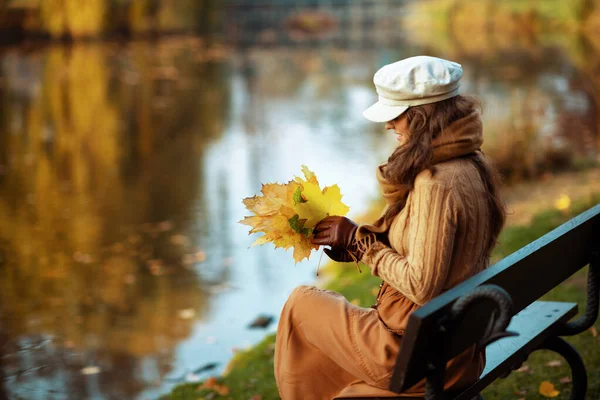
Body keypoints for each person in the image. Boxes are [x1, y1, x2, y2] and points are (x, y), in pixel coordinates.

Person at [274, 56, 507, 399]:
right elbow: (438, 254)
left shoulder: (436, 183)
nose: (388, 125)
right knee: (314, 319)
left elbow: (422, 285)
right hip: (457, 343)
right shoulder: (472, 162)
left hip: (416, 355)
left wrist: (362, 243)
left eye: (394, 115)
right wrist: (356, 244)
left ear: (421, 116)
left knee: (301, 303)